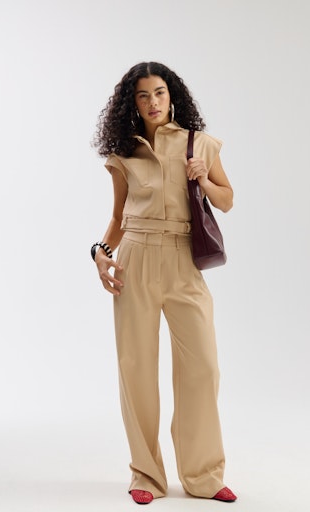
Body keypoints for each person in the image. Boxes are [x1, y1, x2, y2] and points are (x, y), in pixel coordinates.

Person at [91, 62, 236, 505]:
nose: (152, 102)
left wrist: (203, 177)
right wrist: (100, 252)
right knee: (136, 367)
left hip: (182, 261)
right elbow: (118, 217)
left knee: (203, 367)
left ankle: (203, 475)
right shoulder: (123, 154)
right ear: (131, 104)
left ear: (172, 96)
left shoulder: (200, 143)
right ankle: (146, 475)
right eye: (142, 96)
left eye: (159, 93)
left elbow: (227, 200)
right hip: (134, 259)